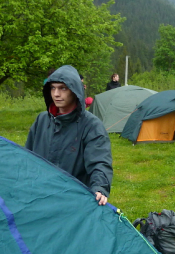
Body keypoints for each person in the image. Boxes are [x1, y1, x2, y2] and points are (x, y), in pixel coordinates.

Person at [26, 65, 113, 205]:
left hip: (73, 201)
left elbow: (99, 162)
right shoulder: (41, 121)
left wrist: (99, 188)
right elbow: (27, 159)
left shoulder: (91, 125)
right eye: (53, 88)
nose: (56, 94)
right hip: (39, 197)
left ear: (75, 91)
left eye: (63, 88)